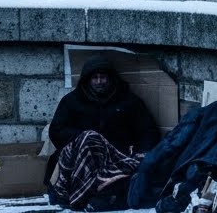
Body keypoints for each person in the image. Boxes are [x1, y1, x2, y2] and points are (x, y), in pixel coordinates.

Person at [46, 56, 160, 211]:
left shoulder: (128, 101)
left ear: (110, 79)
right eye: (95, 78)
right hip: (80, 156)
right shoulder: (72, 101)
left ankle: (98, 195)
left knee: (131, 177)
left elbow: (148, 131)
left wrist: (140, 153)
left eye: (103, 77)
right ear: (88, 80)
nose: (99, 82)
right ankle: (79, 193)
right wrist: (86, 140)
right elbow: (57, 130)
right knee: (90, 139)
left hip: (116, 156)